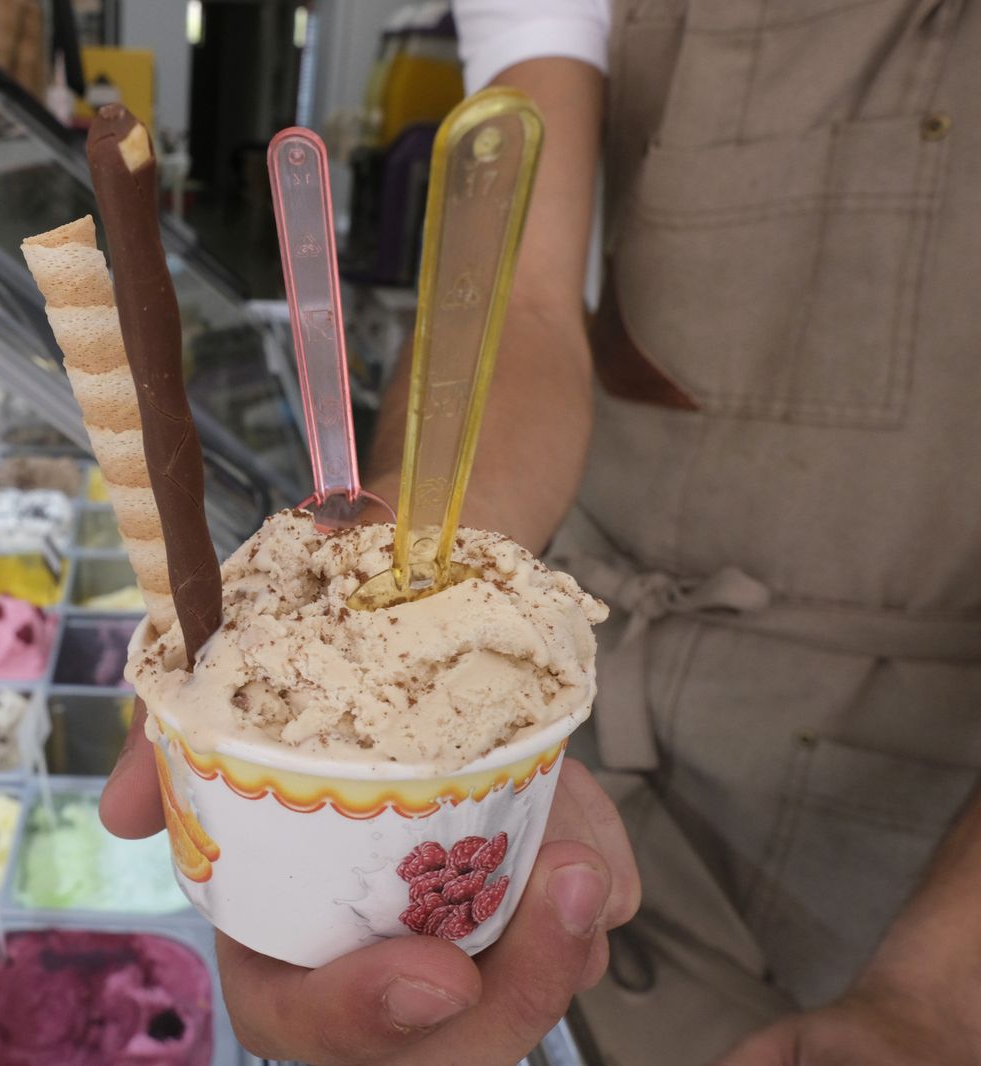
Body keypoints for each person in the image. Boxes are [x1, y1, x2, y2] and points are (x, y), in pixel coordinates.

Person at [103, 0, 981, 1062]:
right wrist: (413, 573)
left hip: (926, 800)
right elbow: (518, 303)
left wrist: (938, 997)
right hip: (586, 688)